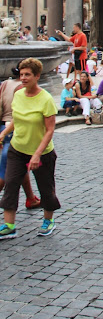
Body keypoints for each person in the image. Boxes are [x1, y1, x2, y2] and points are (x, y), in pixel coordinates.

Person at [0, 58, 60, 239]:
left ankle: (48, 220)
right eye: (21, 74)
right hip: (17, 149)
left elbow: (49, 130)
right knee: (11, 184)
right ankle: (9, 225)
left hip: (42, 152)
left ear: (37, 76)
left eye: (27, 74)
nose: (23, 78)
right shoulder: (18, 94)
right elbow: (16, 119)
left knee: (46, 187)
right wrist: (4, 133)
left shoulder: (46, 99)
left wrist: (37, 155)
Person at [0, 64, 41, 209]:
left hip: (3, 126)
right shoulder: (22, 89)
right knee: (5, 171)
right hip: (14, 129)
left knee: (19, 165)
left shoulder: (5, 83)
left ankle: (30, 198)